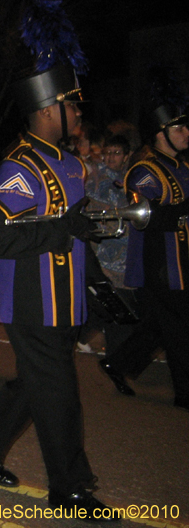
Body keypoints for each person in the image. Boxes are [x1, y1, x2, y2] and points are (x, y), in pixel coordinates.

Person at [0, 55, 115, 516]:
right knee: (59, 392)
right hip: (31, 302)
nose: (80, 112)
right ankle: (70, 488)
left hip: (67, 297)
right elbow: (1, 240)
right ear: (49, 110)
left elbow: (74, 229)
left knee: (38, 384)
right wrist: (67, 227)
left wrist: (97, 281)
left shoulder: (72, 165)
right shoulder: (16, 169)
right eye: (73, 104)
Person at [99, 102, 189, 410]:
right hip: (161, 261)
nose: (186, 133)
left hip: (183, 257)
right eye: (179, 128)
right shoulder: (144, 169)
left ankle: (117, 363)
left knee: (159, 326)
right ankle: (185, 393)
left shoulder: (183, 166)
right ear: (161, 134)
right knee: (178, 325)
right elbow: (148, 216)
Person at [79, 135, 136, 358]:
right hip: (104, 253)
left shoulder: (130, 177)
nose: (111, 157)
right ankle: (116, 359)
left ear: (126, 156)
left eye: (117, 153)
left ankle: (82, 338)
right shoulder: (96, 179)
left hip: (125, 253)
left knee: (106, 306)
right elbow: (89, 209)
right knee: (115, 306)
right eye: (108, 152)